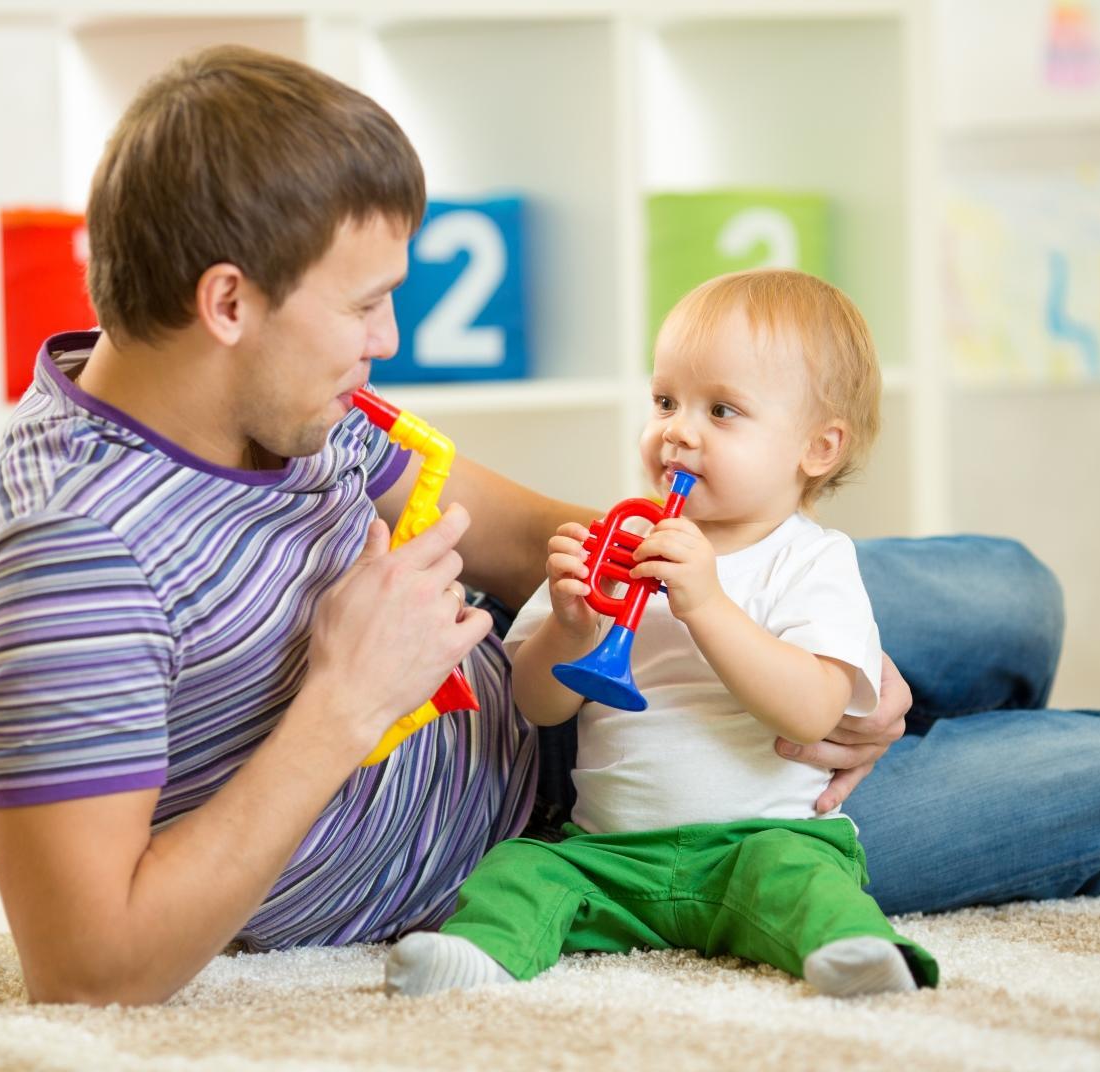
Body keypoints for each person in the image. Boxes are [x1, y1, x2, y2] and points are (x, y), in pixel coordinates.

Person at [0, 44, 1100, 1008]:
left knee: (1012, 593)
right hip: (586, 831)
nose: (389, 342)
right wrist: (345, 700)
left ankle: (904, 708)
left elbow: (502, 522)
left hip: (547, 661)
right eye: (370, 303)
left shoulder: (270, 390)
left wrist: (787, 627)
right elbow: (87, 966)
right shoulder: (75, 550)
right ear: (227, 300)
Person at [386, 269, 940, 998]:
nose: (678, 430)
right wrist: (572, 627)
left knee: (809, 885)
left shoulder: (814, 560)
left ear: (818, 448)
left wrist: (707, 605)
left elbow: (811, 712)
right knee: (521, 870)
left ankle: (854, 951)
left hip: (763, 842)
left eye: (723, 410)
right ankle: (477, 957)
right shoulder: (616, 541)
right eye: (666, 401)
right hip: (608, 854)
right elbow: (537, 706)